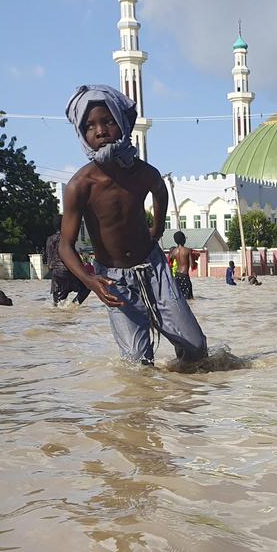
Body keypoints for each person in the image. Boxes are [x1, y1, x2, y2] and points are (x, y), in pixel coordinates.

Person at [60, 84, 207, 364]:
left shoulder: (142, 173)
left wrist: (157, 229)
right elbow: (66, 245)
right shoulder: (80, 186)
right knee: (137, 364)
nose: (101, 131)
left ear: (123, 123)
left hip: (153, 267)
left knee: (196, 349)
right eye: (90, 126)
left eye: (108, 121)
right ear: (82, 134)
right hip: (113, 278)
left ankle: (186, 399)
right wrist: (91, 281)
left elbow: (159, 190)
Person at [45, 220, 90, 307]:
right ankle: (73, 305)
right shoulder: (67, 238)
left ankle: (63, 315)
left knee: (57, 304)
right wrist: (82, 268)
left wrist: (51, 268)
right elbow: (72, 253)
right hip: (68, 269)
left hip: (55, 272)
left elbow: (48, 255)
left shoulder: (49, 239)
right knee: (88, 286)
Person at [169, 231, 195, 300]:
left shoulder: (173, 252)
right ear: (183, 239)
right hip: (185, 276)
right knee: (189, 299)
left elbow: (170, 265)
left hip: (177, 276)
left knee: (180, 298)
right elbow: (192, 265)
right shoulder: (188, 250)